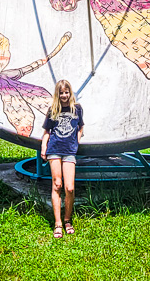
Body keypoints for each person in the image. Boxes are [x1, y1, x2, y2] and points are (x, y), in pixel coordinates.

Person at [40, 79, 84, 238]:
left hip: (69, 151)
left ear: (70, 93)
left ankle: (68, 219)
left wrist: (77, 140)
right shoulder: (53, 110)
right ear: (57, 94)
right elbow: (47, 132)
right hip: (54, 149)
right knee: (57, 184)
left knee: (69, 187)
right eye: (61, 93)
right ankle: (58, 223)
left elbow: (81, 127)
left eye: (66, 92)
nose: (64, 95)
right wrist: (43, 147)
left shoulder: (77, 109)